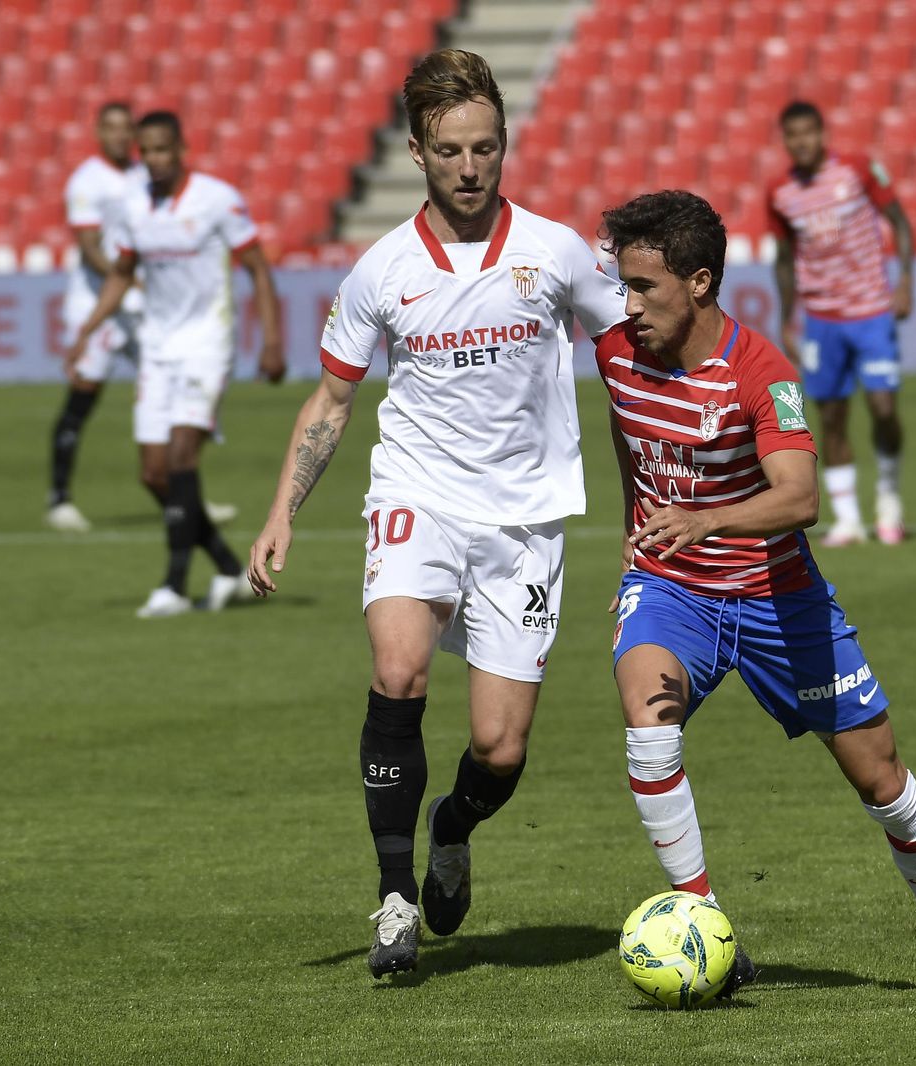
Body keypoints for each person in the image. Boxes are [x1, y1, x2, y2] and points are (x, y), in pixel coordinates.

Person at [246, 49, 627, 978]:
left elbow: (627, 365)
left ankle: (452, 828)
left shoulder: (557, 252)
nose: (470, 166)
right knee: (399, 670)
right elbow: (331, 404)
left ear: (504, 147)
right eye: (451, 149)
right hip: (417, 497)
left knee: (500, 747)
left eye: (486, 148)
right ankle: (393, 901)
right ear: (417, 151)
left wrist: (655, 488)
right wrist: (281, 513)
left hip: (527, 519)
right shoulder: (381, 271)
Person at [598, 190, 916, 995]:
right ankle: (705, 921)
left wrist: (703, 516)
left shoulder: (763, 373)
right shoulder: (616, 353)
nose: (630, 304)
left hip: (776, 599)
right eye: (624, 285)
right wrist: (634, 523)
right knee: (649, 728)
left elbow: (800, 499)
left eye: (646, 286)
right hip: (671, 590)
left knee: (882, 781)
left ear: (701, 282)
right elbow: (628, 432)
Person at [66, 110, 284, 618]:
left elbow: (258, 268)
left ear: (182, 148)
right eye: (148, 152)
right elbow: (121, 274)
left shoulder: (217, 200)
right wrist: (86, 331)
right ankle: (230, 566)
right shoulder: (132, 207)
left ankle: (174, 585)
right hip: (157, 347)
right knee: (154, 473)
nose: (156, 160)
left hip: (207, 343)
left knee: (183, 456)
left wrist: (271, 341)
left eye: (165, 149)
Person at [769, 100, 915, 547]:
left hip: (871, 311)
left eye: (809, 132)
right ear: (786, 141)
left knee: (883, 407)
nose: (802, 142)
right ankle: (849, 519)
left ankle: (888, 498)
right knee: (831, 418)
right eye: (793, 135)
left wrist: (905, 279)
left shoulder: (857, 170)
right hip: (822, 320)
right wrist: (787, 318)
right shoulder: (780, 193)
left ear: (822, 133)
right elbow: (785, 260)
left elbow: (901, 223)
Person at [45, 102, 146, 534]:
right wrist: (129, 280)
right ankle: (59, 499)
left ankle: (182, 491)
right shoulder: (87, 181)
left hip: (140, 305)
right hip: (96, 303)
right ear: (98, 132)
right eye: (112, 128)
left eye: (127, 128)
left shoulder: (144, 177)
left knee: (172, 390)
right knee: (84, 394)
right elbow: (89, 247)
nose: (120, 136)